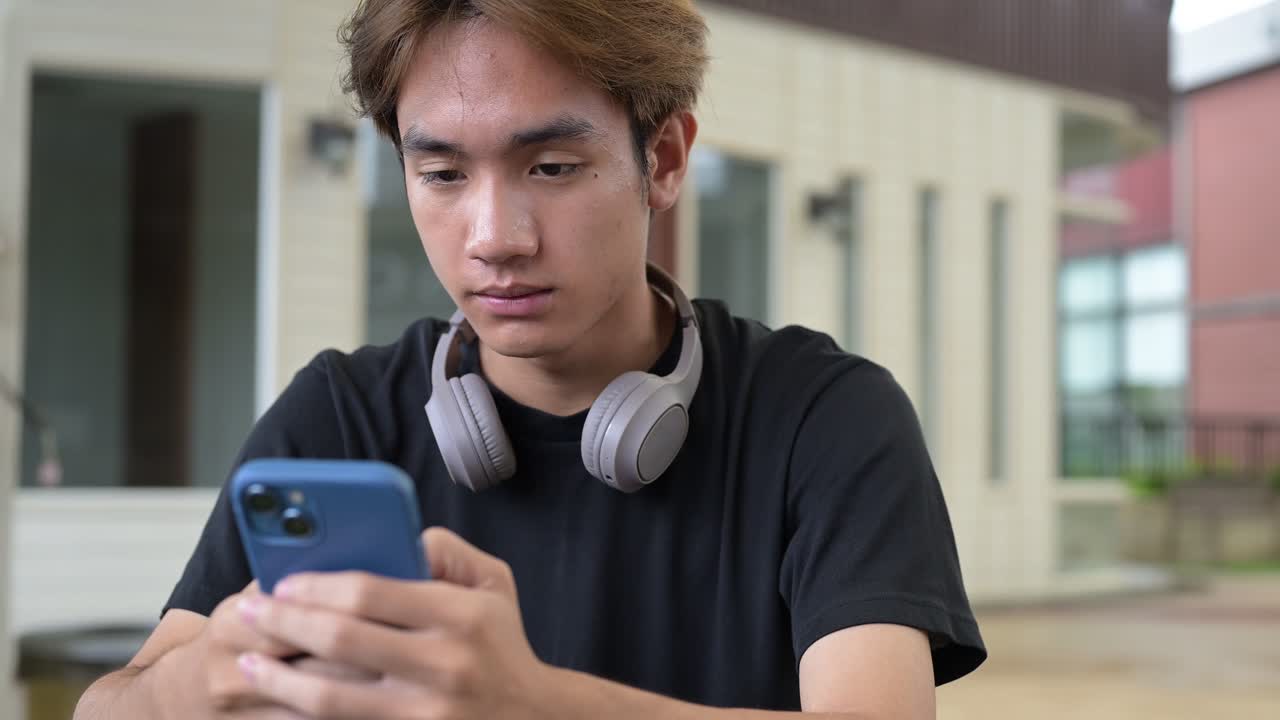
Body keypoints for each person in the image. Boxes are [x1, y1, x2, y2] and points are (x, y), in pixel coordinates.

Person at [75, 1, 985, 718]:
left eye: (550, 167)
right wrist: (212, 675)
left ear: (662, 160)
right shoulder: (338, 414)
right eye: (442, 175)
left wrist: (527, 705)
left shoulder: (825, 417)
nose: (493, 239)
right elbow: (108, 709)